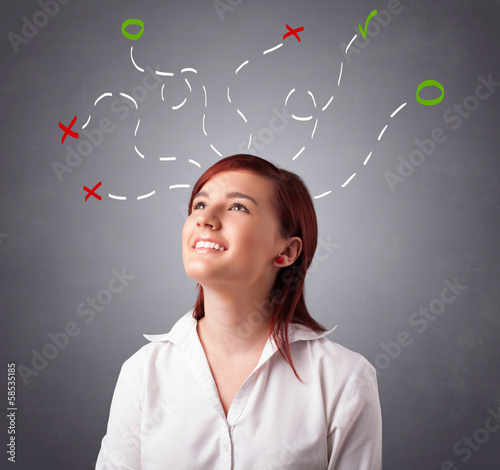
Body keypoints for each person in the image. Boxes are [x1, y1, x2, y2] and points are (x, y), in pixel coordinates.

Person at [95, 154, 382, 469]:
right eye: (199, 205)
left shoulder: (343, 378)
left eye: (238, 207)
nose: (205, 219)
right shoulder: (142, 373)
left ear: (286, 251)